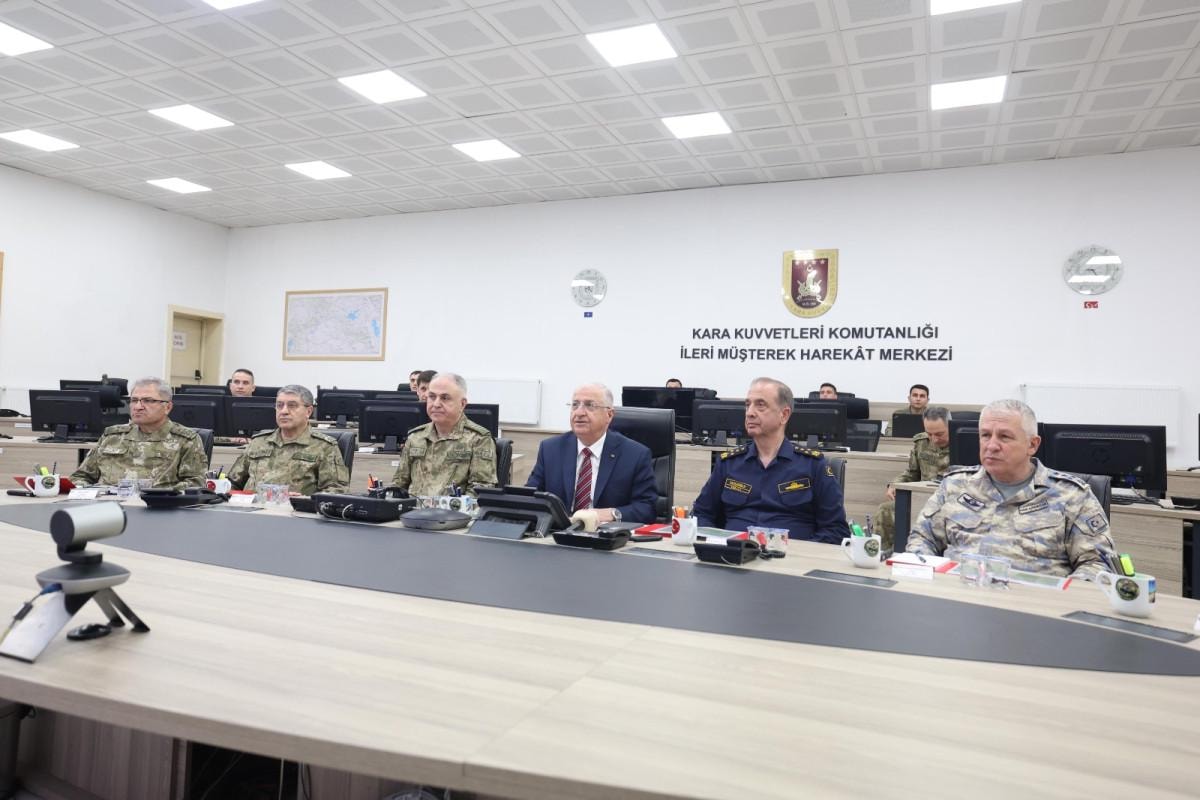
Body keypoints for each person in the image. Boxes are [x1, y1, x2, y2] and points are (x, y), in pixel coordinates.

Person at [905, 399, 1116, 580]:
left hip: (1034, 608)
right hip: (958, 598)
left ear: (1032, 445)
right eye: (985, 435)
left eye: (1004, 437)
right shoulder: (955, 485)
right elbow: (922, 539)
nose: (991, 445)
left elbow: (1098, 564)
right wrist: (931, 581)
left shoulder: (1072, 495)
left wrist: (1059, 599)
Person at [693, 378, 849, 543]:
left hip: (790, 556)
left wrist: (798, 551)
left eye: (760, 405)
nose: (750, 413)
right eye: (748, 405)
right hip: (734, 553)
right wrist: (717, 543)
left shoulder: (813, 465)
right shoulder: (729, 463)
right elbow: (701, 514)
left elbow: (836, 530)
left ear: (784, 415)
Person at [526, 383, 657, 528]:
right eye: (575, 405)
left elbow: (647, 508)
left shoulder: (635, 455)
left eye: (589, 405)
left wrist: (612, 514)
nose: (579, 412)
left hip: (606, 536)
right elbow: (530, 497)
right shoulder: (551, 449)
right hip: (557, 534)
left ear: (609, 415)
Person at [71, 377, 207, 490]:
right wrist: (89, 492)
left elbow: (195, 484)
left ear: (167, 407)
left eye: (148, 401)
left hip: (157, 508)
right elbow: (81, 477)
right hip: (107, 506)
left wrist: (160, 496)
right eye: (134, 400)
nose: (138, 407)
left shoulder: (186, 440)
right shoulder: (112, 436)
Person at [227, 385, 349, 495]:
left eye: (292, 406)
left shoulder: (324, 446)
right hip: (249, 509)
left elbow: (337, 490)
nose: (284, 411)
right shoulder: (258, 442)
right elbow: (232, 482)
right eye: (279, 405)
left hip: (295, 511)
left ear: (308, 411)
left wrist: (305, 501)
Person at [391, 373, 496, 496]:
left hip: (454, 508)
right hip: (412, 507)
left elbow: (480, 490)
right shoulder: (416, 437)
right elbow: (399, 483)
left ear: (462, 404)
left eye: (445, 398)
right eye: (432, 397)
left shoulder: (479, 439)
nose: (436, 404)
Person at [875, 406, 951, 549]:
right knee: (885, 510)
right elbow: (912, 473)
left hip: (950, 502)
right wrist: (894, 484)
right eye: (930, 434)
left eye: (939, 434)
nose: (934, 439)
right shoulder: (921, 442)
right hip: (921, 498)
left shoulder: (964, 443)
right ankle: (884, 554)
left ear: (950, 427)